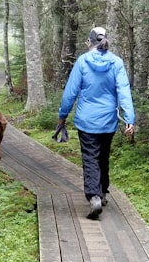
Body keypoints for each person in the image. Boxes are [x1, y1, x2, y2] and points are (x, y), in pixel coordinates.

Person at [57, 26, 136, 219]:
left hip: (87, 120)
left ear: (89, 42)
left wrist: (62, 115)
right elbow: (124, 91)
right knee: (103, 157)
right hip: (108, 120)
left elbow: (70, 92)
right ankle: (102, 192)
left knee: (90, 158)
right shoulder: (116, 62)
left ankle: (94, 196)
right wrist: (129, 119)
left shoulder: (83, 61)